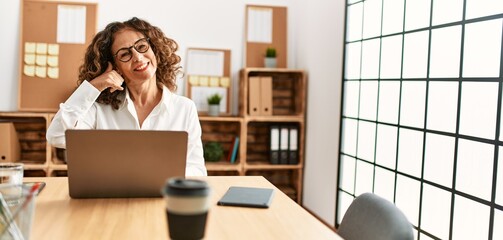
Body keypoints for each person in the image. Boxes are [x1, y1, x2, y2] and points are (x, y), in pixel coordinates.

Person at [46, 17, 207, 176]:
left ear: (154, 49)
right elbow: (56, 136)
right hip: (112, 199)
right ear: (116, 67)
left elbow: (197, 170)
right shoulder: (99, 109)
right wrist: (93, 87)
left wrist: (159, 174)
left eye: (142, 46)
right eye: (125, 54)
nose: (137, 57)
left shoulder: (184, 108)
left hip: (164, 197)